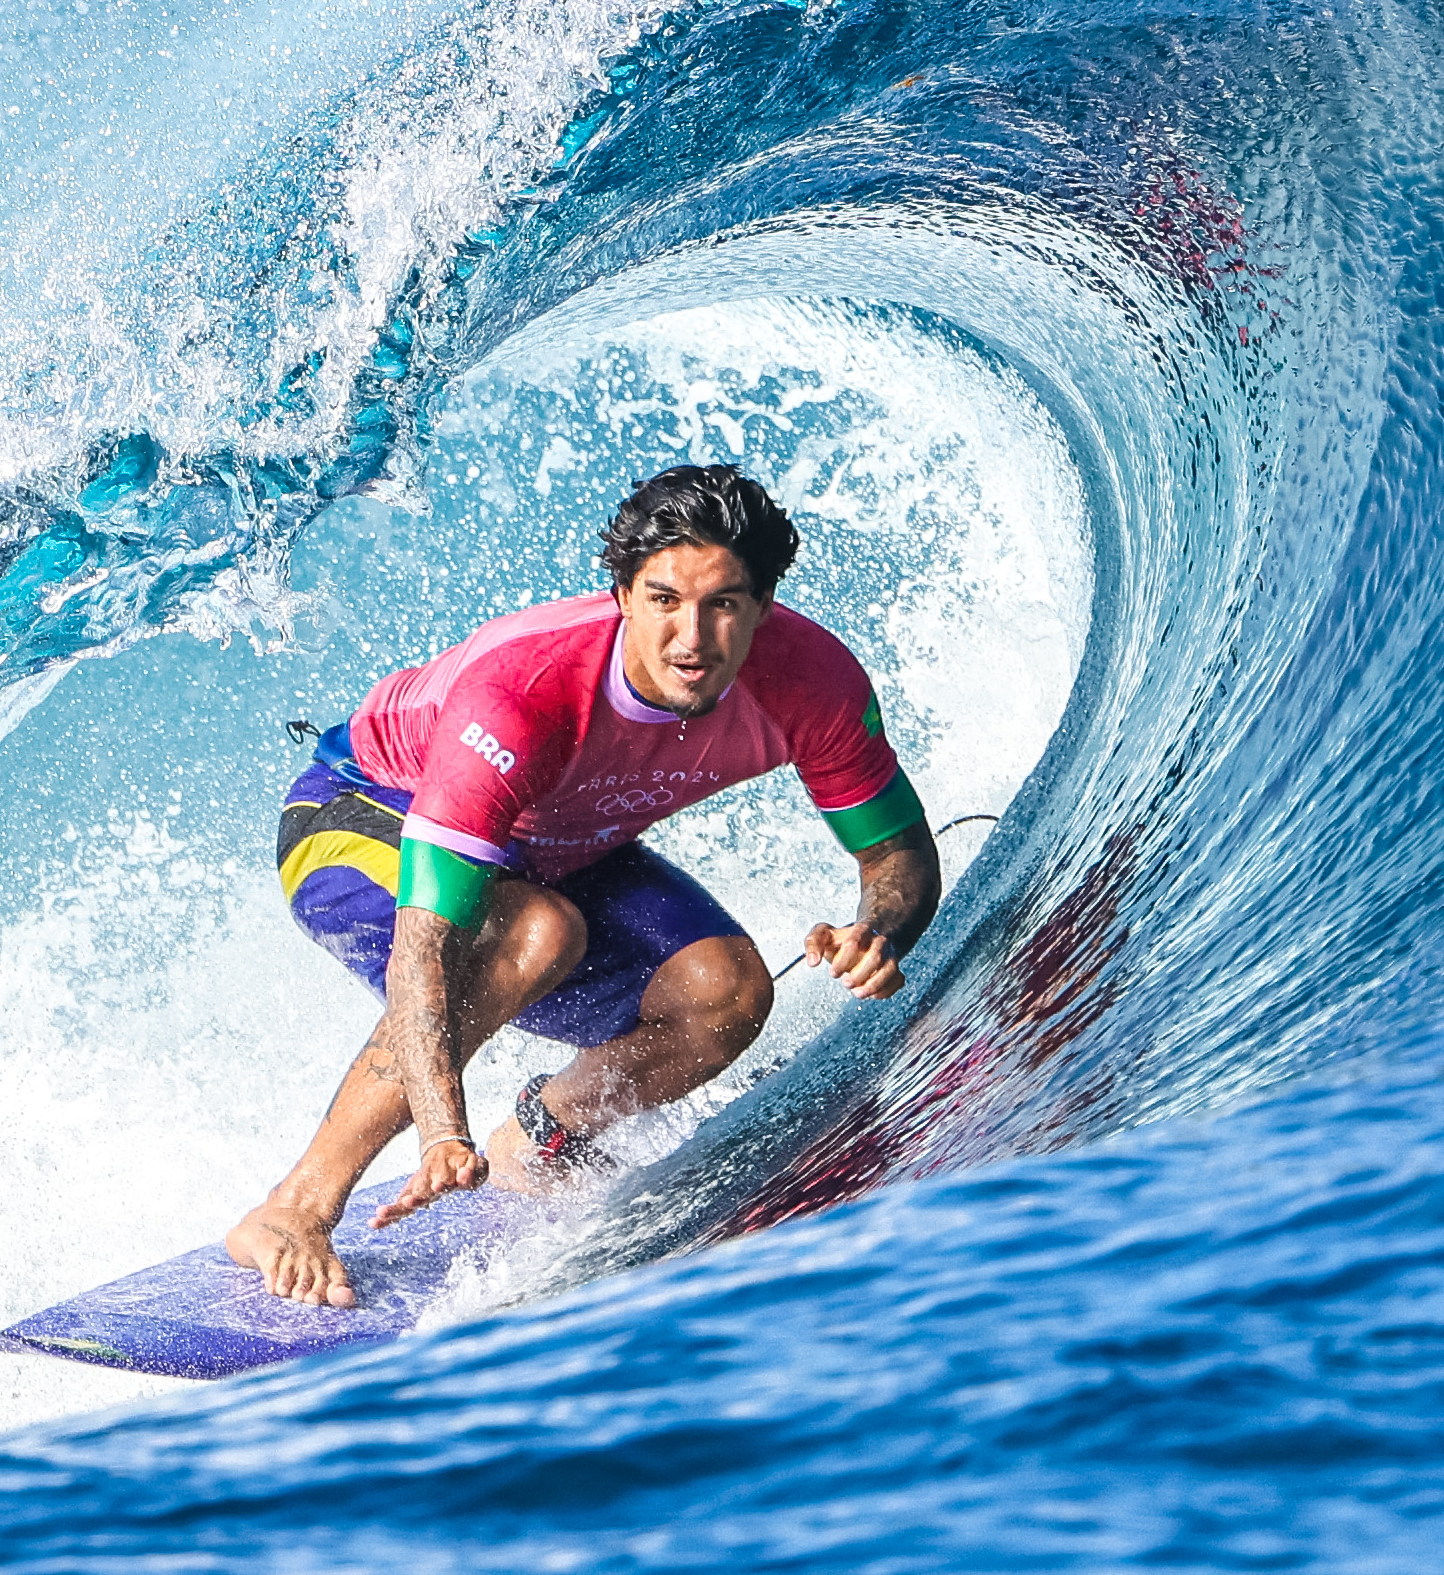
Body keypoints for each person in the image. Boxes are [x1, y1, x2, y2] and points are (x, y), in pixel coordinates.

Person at [225, 463, 943, 1307]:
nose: (692, 637)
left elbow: (897, 855)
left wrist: (877, 932)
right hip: (357, 813)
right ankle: (294, 1206)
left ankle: (545, 1136)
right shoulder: (522, 692)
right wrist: (441, 1130)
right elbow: (422, 948)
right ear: (622, 594)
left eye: (723, 604)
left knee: (727, 991)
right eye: (664, 599)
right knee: (536, 929)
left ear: (764, 604)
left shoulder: (810, 681)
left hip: (552, 846)